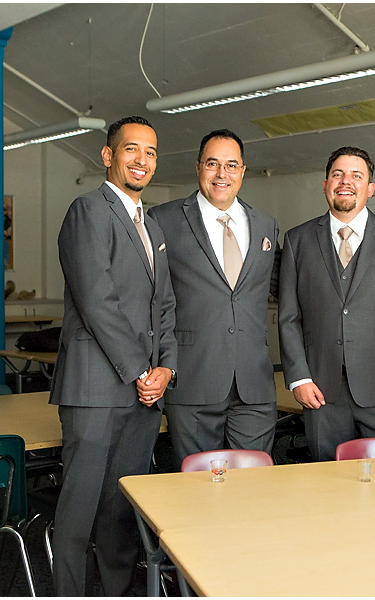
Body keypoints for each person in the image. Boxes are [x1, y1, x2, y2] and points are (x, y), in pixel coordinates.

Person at [49, 116, 178, 596]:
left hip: (143, 393)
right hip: (97, 389)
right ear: (108, 156)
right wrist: (143, 370)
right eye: (131, 150)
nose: (141, 160)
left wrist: (166, 367)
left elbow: (165, 304)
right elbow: (97, 301)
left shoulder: (152, 225)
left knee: (122, 512)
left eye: (150, 152)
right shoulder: (88, 211)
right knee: (80, 511)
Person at [278, 146, 375, 462]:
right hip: (320, 393)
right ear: (325, 184)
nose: (346, 181)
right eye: (338, 174)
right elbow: (289, 316)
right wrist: (299, 378)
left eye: (356, 176)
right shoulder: (298, 240)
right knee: (329, 487)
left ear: (370, 188)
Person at [151, 129, 279, 469]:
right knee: (197, 491)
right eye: (213, 164)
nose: (222, 174)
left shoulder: (266, 225)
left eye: (231, 165)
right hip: (193, 380)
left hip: (254, 385)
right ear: (198, 168)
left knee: (253, 488)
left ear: (242, 171)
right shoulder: (163, 220)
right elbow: (150, 300)